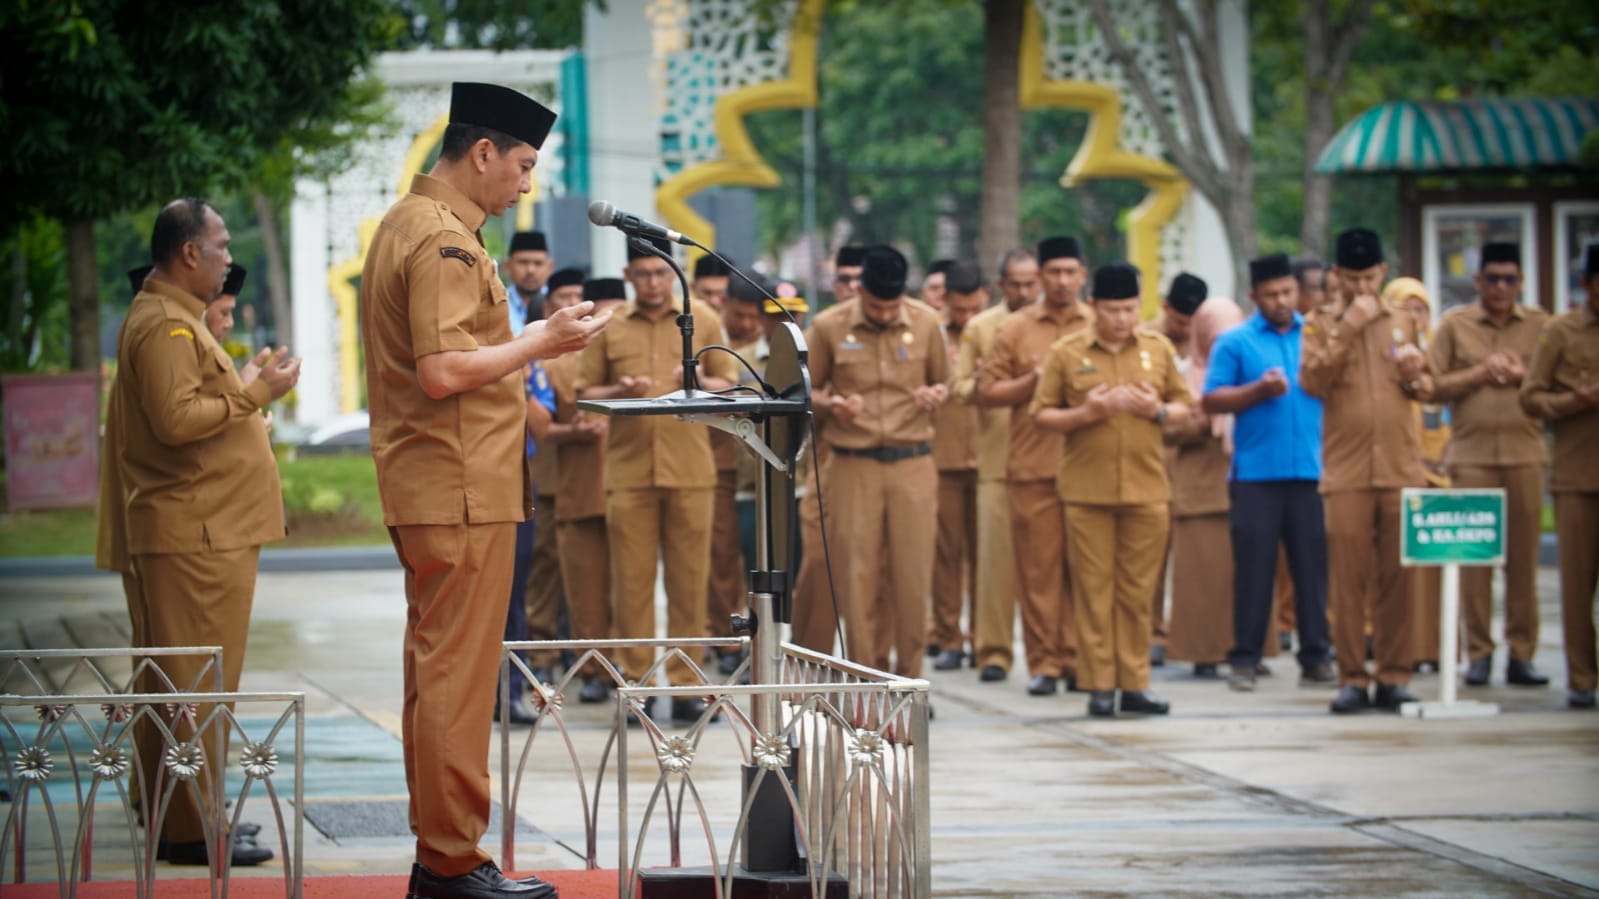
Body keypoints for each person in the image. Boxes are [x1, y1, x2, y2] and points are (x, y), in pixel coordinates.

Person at [360, 82, 608, 899]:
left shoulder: (412, 223)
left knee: (439, 673)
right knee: (456, 679)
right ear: (482, 154)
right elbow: (441, 371)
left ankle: (442, 852)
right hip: (458, 485)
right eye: (524, 165)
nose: (526, 185)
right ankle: (451, 861)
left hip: (443, 482)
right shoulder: (442, 242)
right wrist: (541, 337)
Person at [105, 198, 299, 866]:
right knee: (196, 687)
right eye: (219, 246)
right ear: (189, 252)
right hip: (195, 532)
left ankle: (187, 817)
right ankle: (191, 830)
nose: (226, 259)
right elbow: (176, 420)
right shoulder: (165, 326)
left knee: (183, 682)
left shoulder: (175, 320)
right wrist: (255, 395)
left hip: (203, 528)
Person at [575, 236, 738, 722]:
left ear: (673, 273)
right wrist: (619, 389)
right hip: (628, 473)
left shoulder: (701, 320)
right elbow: (585, 391)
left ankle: (687, 682)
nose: (653, 283)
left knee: (690, 582)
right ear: (628, 278)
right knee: (632, 584)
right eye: (643, 274)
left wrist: (697, 381)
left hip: (690, 470)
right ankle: (637, 684)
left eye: (661, 273)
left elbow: (728, 381)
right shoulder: (608, 327)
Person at [1032, 261, 1193, 717]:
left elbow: (1187, 407)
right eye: (1112, 309)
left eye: (1128, 309)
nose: (1122, 318)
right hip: (1087, 492)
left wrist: (1157, 410)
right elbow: (1040, 415)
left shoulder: (1157, 349)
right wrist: (1087, 413)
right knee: (1094, 590)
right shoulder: (1067, 352)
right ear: (1093, 306)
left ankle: (1134, 684)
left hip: (1146, 490)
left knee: (1139, 592)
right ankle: (1100, 685)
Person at [1301, 228, 1429, 714]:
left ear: (1383, 273)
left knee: (1400, 579)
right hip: (1348, 472)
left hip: (1399, 468)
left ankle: (1394, 675)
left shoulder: (1403, 320)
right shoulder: (1318, 324)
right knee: (1348, 583)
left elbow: (1426, 387)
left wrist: (1418, 373)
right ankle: (1352, 677)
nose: (1361, 288)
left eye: (1369, 278)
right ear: (1336, 275)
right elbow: (1312, 381)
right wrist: (1350, 325)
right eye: (1351, 278)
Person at [807, 246, 949, 676]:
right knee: (856, 578)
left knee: (912, 576)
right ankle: (865, 677)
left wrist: (935, 395)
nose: (885, 315)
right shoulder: (829, 326)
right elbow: (801, 393)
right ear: (859, 291)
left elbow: (944, 381)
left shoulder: (926, 322)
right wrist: (832, 404)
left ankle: (910, 679)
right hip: (853, 464)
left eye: (892, 306)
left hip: (913, 465)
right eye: (874, 306)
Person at [1201, 252, 1335, 694]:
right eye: (1271, 294)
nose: (1281, 301)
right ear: (1254, 296)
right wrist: (1258, 390)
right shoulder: (1235, 343)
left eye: (1287, 292)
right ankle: (1245, 658)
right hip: (1256, 476)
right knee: (1254, 571)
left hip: (1309, 474)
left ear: (1298, 292)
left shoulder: (1316, 337)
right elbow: (1212, 399)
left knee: (1311, 572)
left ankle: (1316, 657)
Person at [1427, 241, 1550, 688]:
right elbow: (1430, 385)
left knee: (1523, 562)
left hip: (1524, 454)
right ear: (1478, 281)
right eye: (1492, 278)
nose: (1501, 287)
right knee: (1472, 561)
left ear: (1520, 282)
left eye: (1509, 279)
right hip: (1471, 455)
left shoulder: (1541, 326)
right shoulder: (1456, 325)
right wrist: (1477, 374)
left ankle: (1522, 655)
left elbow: (1555, 383)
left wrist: (1523, 376)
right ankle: (1477, 653)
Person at [981, 237, 1096, 696]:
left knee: (1087, 574)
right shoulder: (1015, 328)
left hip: (1090, 468)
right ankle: (1046, 663)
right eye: (1055, 272)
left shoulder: (1098, 323)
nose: (1063, 281)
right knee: (1039, 573)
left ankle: (1082, 661)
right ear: (1042, 276)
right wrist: (1034, 380)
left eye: (1071, 272)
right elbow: (987, 391)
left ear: (1083, 275)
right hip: (1032, 466)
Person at [952, 248, 1039, 682]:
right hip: (997, 459)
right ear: (1001, 285)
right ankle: (994, 652)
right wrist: (987, 380)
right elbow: (961, 387)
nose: (1025, 291)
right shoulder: (982, 328)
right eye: (1016, 283)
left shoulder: (1056, 329)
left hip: (1048, 460)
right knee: (994, 564)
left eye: (1030, 282)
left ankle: (1065, 654)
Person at [1521, 243, 1599, 709]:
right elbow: (1530, 397)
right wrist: (1576, 401)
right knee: (1576, 585)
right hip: (1578, 477)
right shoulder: (1561, 332)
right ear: (1588, 285)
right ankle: (1583, 679)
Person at [547, 278, 626, 705]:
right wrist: (573, 430)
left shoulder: (644, 370)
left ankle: (631, 667)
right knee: (586, 592)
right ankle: (594, 668)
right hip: (580, 493)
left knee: (631, 589)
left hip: (633, 490)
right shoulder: (557, 363)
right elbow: (540, 424)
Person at [1165, 297, 1249, 675]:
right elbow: (1168, 429)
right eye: (1215, 340)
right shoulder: (1184, 376)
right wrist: (1206, 415)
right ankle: (1204, 654)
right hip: (1200, 491)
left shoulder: (1253, 375)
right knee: (1202, 579)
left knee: (1245, 575)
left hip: (1245, 485)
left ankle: (1247, 650)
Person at [1381, 276, 1450, 671]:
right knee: (1402, 573)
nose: (1414, 317)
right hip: (1400, 474)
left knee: (1440, 571)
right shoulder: (1384, 357)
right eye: (1405, 309)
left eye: (1420, 308)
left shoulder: (1438, 352)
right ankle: (1402, 650)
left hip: (1441, 474)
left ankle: (1437, 648)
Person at [1143, 271, 1206, 667]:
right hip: (1156, 457)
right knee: (1153, 553)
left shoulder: (1212, 342)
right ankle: (1151, 630)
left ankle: (1190, 632)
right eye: (1181, 321)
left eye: (1193, 321)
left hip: (1198, 460)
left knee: (1197, 553)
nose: (1187, 329)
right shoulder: (1146, 341)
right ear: (1166, 309)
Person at [928, 262, 984, 670]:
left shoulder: (995, 333)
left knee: (986, 555)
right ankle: (949, 636)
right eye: (958, 309)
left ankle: (983, 637)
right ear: (944, 300)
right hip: (942, 457)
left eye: (973, 308)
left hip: (988, 457)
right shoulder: (929, 334)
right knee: (945, 555)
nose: (965, 318)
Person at [505, 230, 553, 325]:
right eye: (523, 262)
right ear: (507, 266)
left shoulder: (558, 304)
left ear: (550, 267)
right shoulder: (495, 306)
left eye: (538, 263)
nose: (530, 270)